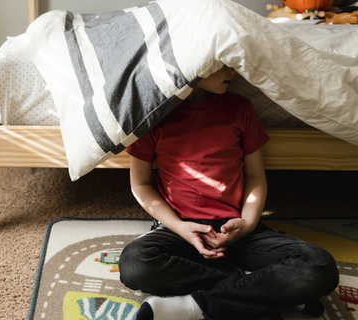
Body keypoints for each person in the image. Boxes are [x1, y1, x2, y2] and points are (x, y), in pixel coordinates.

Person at [118, 65, 339, 320]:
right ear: (194, 63)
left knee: (319, 265)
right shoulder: (153, 115)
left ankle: (195, 307)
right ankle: (265, 288)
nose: (233, 71)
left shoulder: (240, 108)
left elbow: (256, 177)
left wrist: (246, 224)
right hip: (179, 231)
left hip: (239, 231)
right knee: (135, 263)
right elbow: (141, 185)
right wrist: (180, 228)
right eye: (222, 64)